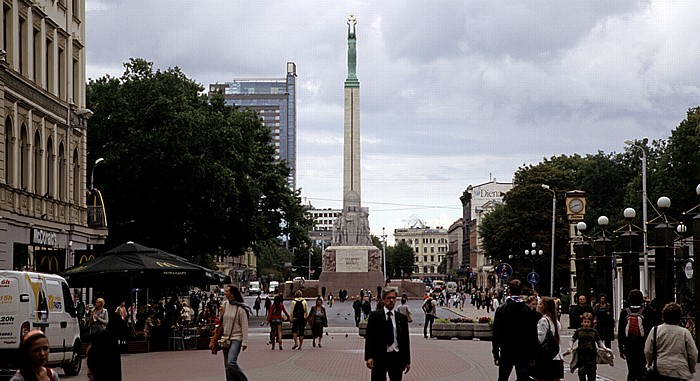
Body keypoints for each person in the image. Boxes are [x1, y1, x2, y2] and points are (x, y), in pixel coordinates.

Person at [492, 279, 538, 381]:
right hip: (523, 350)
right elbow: (532, 334)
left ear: (509, 291)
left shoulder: (501, 309)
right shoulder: (527, 310)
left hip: (506, 349)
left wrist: (495, 353)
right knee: (523, 377)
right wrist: (533, 354)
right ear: (521, 291)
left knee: (503, 378)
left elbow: (496, 333)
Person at [364, 288, 411, 381]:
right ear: (383, 299)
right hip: (379, 357)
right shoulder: (374, 316)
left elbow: (405, 341)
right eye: (388, 298)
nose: (391, 300)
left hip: (396, 357)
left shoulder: (402, 318)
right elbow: (369, 337)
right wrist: (368, 357)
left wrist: (407, 361)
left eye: (393, 298)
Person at [644, 302, 697, 381]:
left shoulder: (656, 330)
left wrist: (649, 363)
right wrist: (691, 368)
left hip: (660, 369)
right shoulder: (685, 333)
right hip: (680, 371)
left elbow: (648, 350)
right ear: (679, 317)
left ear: (663, 316)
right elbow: (693, 353)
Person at [210, 285, 250, 381]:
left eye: (227, 291)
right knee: (227, 366)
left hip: (236, 338)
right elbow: (221, 321)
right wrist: (221, 313)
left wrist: (245, 342)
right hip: (226, 338)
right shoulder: (225, 304)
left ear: (232, 294)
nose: (225, 292)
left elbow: (244, 325)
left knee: (231, 362)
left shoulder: (241, 308)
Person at [618, 289, 655, 381]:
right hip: (642, 344)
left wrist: (621, 347)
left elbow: (621, 331)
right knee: (641, 369)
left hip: (629, 344)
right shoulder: (646, 312)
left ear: (629, 299)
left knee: (631, 369)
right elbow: (651, 331)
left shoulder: (624, 312)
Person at [530, 296, 564, 381]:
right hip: (557, 357)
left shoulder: (543, 321)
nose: (538, 305)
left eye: (541, 304)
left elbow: (539, 340)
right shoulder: (556, 322)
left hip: (546, 358)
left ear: (545, 307)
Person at [570, 312, 606, 381]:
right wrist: (571, 346)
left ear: (591, 323)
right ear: (582, 322)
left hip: (592, 356)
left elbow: (599, 341)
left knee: (592, 374)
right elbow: (573, 339)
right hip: (581, 356)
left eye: (588, 322)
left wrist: (604, 348)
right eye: (585, 322)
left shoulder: (594, 332)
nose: (586, 324)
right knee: (581, 372)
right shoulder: (579, 331)